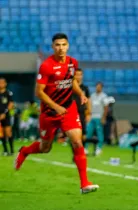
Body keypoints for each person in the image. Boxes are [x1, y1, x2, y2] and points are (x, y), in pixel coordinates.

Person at [14, 33, 98, 194]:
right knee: (45, 148)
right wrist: (56, 107)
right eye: (57, 45)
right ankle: (24, 151)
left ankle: (84, 184)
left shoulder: (73, 63)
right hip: (49, 113)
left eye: (64, 45)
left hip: (68, 109)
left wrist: (80, 93)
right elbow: (39, 92)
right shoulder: (46, 66)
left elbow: (71, 80)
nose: (61, 48)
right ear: (53, 47)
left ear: (68, 46)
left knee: (77, 142)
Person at [85, 82, 108, 156]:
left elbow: (106, 108)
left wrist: (103, 118)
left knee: (99, 133)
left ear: (101, 88)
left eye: (99, 87)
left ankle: (99, 148)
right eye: (97, 86)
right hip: (92, 116)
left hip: (99, 117)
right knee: (88, 132)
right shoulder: (92, 95)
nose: (98, 88)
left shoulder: (104, 96)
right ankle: (86, 148)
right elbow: (89, 105)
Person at [73, 68, 91, 148]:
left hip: (82, 113)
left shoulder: (85, 88)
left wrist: (88, 113)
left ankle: (82, 150)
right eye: (77, 75)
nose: (78, 77)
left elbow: (88, 101)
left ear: (82, 76)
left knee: (83, 134)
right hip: (72, 113)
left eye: (80, 75)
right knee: (73, 134)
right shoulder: (70, 88)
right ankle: (76, 153)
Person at [0, 77, 14, 156]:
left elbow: (11, 104)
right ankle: (5, 150)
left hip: (6, 115)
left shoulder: (8, 93)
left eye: (2, 82)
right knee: (1, 134)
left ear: (5, 84)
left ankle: (11, 150)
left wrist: (4, 113)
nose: (1, 84)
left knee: (8, 133)